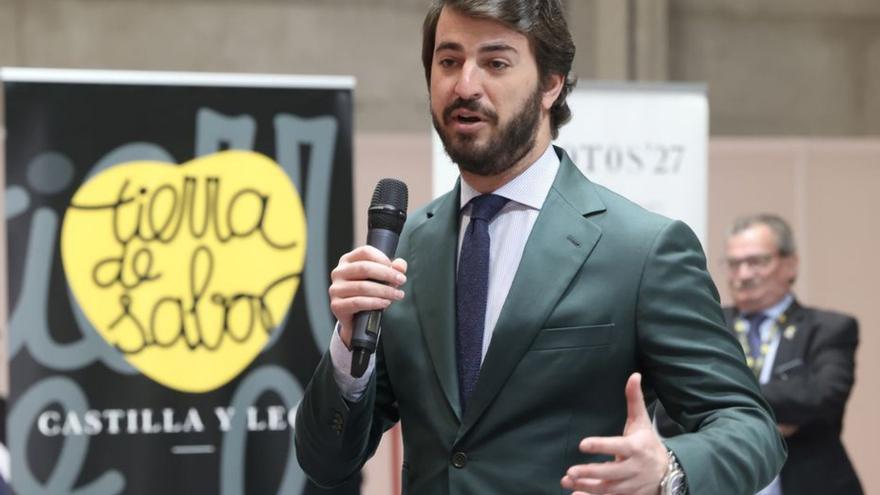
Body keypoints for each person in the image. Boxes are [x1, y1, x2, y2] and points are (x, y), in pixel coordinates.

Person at [295, 1, 786, 494]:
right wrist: (345, 345)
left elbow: (750, 427)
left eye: (496, 63)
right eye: (448, 61)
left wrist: (668, 469)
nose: (465, 85)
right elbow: (327, 461)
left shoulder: (641, 250)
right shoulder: (409, 249)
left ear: (552, 82)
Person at [657, 213, 863, 495]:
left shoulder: (828, 328)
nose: (743, 275)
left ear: (790, 264)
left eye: (756, 262)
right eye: (734, 264)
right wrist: (773, 416)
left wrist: (726, 414)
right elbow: (671, 411)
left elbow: (823, 396)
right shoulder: (707, 326)